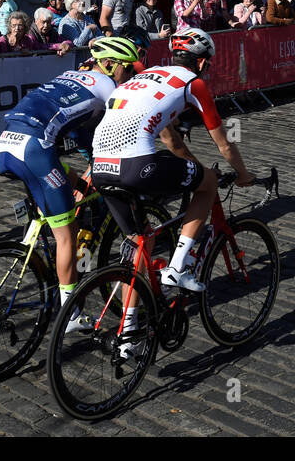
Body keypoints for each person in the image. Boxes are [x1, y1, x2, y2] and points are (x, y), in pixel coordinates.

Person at [91, 28, 259, 311]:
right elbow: (225, 145)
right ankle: (178, 267)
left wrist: (192, 165)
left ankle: (128, 332)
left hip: (100, 166)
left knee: (139, 244)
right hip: (135, 165)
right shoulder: (194, 83)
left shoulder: (148, 74)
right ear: (202, 62)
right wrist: (243, 175)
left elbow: (170, 139)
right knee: (208, 183)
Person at [0, 36, 144, 333]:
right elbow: (110, 136)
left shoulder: (70, 75)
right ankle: (71, 313)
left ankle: (40, 247)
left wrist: (85, 176)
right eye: (127, 69)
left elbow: (77, 130)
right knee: (67, 235)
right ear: (110, 64)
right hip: (35, 149)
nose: (129, 76)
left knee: (66, 184)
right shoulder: (109, 88)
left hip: (5, 145)